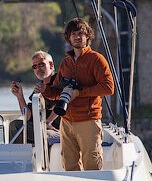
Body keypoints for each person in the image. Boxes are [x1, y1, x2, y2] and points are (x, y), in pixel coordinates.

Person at [46, 18, 115, 170]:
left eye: (81, 33)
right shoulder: (66, 62)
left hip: (88, 120)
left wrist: (80, 92)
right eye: (73, 34)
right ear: (68, 38)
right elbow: (55, 93)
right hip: (66, 121)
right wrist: (44, 86)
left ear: (87, 36)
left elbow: (109, 88)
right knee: (69, 165)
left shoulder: (96, 59)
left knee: (92, 165)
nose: (77, 37)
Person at [9, 50, 61, 144]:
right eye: (35, 66)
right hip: (42, 128)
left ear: (51, 65)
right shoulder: (38, 88)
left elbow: (64, 102)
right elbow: (28, 116)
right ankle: (18, 158)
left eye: (41, 64)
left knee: (43, 133)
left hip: (60, 130)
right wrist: (20, 96)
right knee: (15, 125)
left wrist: (47, 122)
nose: (38, 69)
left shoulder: (61, 81)